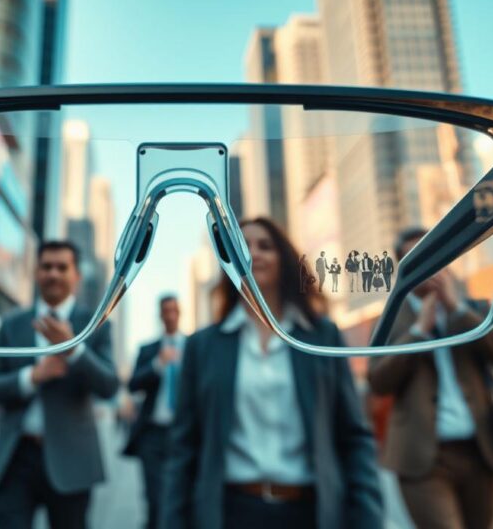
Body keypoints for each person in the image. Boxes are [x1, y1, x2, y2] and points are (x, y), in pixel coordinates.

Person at [161, 217, 383, 529]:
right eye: (242, 246)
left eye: (265, 246)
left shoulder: (322, 336)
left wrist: (367, 516)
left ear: (285, 260)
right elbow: (183, 446)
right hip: (232, 512)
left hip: (309, 512)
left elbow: (353, 436)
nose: (253, 253)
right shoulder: (203, 345)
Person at [368, 226, 493, 529]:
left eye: (435, 254)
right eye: (416, 258)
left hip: (481, 450)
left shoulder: (473, 308)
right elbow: (378, 382)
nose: (429, 265)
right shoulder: (389, 319)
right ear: (404, 269)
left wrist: (457, 310)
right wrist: (417, 332)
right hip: (422, 459)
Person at [0, 241, 120, 529]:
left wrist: (74, 349)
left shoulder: (97, 323)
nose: (53, 274)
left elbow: (109, 386)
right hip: (16, 459)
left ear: (76, 276)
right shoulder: (12, 324)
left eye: (62, 267)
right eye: (46, 267)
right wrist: (32, 377)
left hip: (72, 462)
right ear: (36, 272)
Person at [124, 294, 186, 529]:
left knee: (179, 495)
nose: (170, 315)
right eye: (166, 311)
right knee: (154, 497)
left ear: (180, 313)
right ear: (160, 315)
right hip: (152, 435)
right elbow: (132, 384)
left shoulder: (192, 347)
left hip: (182, 434)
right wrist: (158, 365)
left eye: (174, 310)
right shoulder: (149, 349)